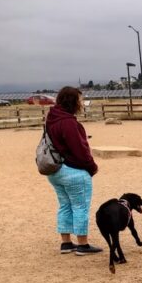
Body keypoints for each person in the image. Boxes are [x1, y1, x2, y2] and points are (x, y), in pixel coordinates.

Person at [45, 86, 103, 255]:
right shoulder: (69, 122)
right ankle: (83, 244)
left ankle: (66, 242)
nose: (82, 103)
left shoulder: (51, 119)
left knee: (64, 206)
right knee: (80, 207)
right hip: (73, 172)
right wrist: (92, 167)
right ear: (72, 101)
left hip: (55, 170)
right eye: (80, 100)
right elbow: (79, 150)